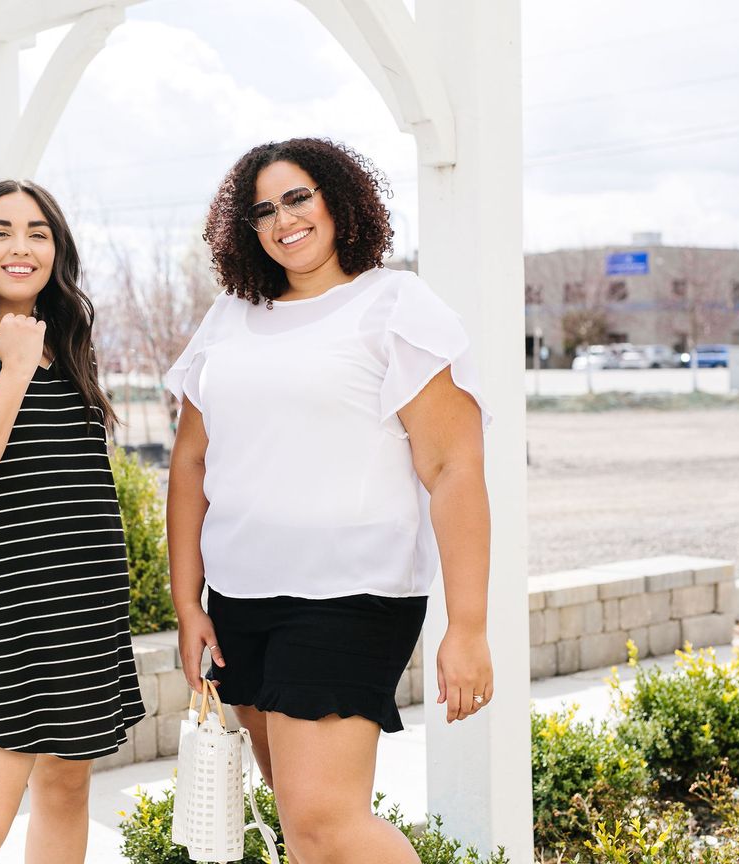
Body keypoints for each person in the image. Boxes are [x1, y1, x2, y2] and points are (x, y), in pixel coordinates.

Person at [166, 138, 494, 864]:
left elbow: (455, 469)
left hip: (351, 595)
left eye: (297, 197)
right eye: (262, 210)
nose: (282, 219)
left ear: (339, 200)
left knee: (325, 823)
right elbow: (190, 465)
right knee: (305, 828)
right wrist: (188, 605)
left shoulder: (394, 304)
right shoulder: (229, 318)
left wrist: (466, 626)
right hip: (240, 600)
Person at [0, 180, 145, 864]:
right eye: (2, 230)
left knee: (67, 792)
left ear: (57, 249)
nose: (21, 246)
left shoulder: (67, 336)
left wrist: (31, 353)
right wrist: (10, 371)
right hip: (3, 608)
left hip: (85, 605)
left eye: (38, 232)